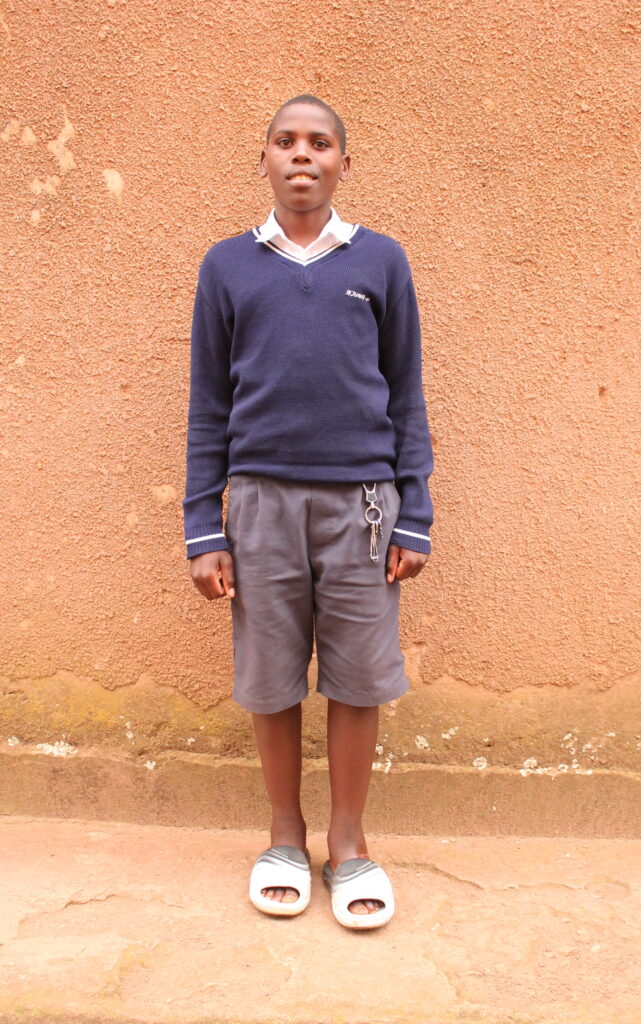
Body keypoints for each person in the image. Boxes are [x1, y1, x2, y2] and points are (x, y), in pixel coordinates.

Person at [182, 94, 434, 930]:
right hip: (259, 504)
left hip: (363, 506)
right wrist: (204, 525)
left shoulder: (381, 261)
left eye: (319, 143)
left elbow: (406, 393)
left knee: (358, 675)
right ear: (262, 159)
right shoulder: (228, 266)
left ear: (343, 165)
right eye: (284, 141)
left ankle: (348, 841)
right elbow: (208, 405)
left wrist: (414, 511)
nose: (301, 155)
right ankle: (284, 834)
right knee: (271, 673)